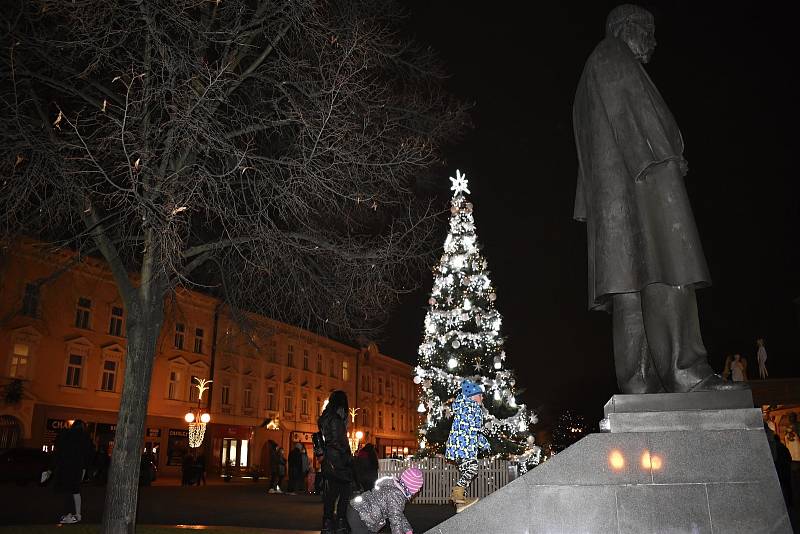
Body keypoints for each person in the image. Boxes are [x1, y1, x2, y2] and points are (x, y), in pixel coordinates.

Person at [572, 4, 745, 394]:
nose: (653, 43)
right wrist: (669, 154)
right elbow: (644, 121)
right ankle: (688, 372)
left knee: (630, 291)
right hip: (643, 187)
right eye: (647, 32)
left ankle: (639, 384)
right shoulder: (613, 57)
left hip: (615, 204)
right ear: (626, 27)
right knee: (669, 274)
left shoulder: (589, 73)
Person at [445, 380, 489, 513]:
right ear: (473, 396)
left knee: (468, 472)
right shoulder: (470, 406)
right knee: (473, 468)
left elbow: (471, 433)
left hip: (460, 449)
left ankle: (460, 503)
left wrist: (484, 443)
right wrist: (482, 428)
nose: (482, 398)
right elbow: (470, 425)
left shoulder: (467, 406)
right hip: (463, 449)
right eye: (480, 395)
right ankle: (457, 492)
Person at [347, 467, 423, 534]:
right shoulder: (396, 495)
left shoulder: (393, 488)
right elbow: (395, 520)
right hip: (360, 515)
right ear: (412, 487)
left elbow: (398, 514)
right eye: (418, 487)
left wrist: (407, 530)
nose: (419, 490)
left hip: (358, 511)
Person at [318, 390, 354, 534]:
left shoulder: (323, 418)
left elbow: (324, 439)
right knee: (345, 490)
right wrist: (348, 459)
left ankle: (327, 523)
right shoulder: (337, 419)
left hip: (327, 460)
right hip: (339, 460)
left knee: (331, 493)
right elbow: (341, 442)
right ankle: (340, 522)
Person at [52, 420, 94, 524]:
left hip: (66, 467)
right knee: (76, 490)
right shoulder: (84, 437)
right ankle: (77, 514)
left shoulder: (67, 435)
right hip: (78, 467)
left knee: (69, 491)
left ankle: (69, 514)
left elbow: (59, 450)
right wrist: (86, 469)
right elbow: (88, 454)